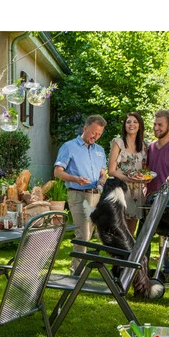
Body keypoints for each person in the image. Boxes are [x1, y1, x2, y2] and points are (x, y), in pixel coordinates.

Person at [54, 115, 108, 273]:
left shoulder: (100, 150)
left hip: (96, 196)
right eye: (93, 133)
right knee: (83, 235)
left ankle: (78, 271)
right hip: (78, 195)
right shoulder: (69, 147)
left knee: (89, 235)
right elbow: (58, 172)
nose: (95, 137)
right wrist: (76, 179)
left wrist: (102, 181)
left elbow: (103, 173)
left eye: (99, 134)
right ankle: (76, 273)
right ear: (85, 128)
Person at [107, 112, 149, 236]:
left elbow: (145, 169)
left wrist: (145, 178)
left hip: (137, 191)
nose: (131, 124)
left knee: (131, 231)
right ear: (124, 125)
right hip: (121, 189)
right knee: (119, 229)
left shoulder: (144, 146)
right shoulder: (118, 142)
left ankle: (129, 249)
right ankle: (117, 249)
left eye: (135, 122)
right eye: (128, 122)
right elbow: (111, 171)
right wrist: (130, 179)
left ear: (140, 125)